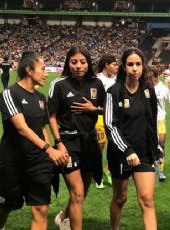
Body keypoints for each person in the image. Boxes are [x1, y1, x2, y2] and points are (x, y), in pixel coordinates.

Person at [0, 52, 68, 230]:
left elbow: (42, 128)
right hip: (12, 162)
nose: (46, 73)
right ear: (28, 70)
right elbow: (22, 128)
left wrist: (48, 154)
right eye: (42, 69)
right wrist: (49, 149)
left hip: (38, 162)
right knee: (6, 207)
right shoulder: (10, 94)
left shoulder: (41, 98)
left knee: (41, 210)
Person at [48, 46, 105, 230]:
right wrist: (58, 143)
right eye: (74, 62)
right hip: (67, 142)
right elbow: (52, 116)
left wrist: (93, 109)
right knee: (78, 193)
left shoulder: (97, 84)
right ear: (68, 63)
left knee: (82, 192)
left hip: (90, 142)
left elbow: (108, 110)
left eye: (82, 62)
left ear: (89, 63)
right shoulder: (59, 84)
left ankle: (64, 217)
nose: (78, 66)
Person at [104, 48, 162, 230]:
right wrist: (127, 150)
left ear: (143, 66)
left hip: (144, 154)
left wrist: (156, 148)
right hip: (121, 155)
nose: (135, 68)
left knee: (147, 200)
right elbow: (110, 126)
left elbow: (152, 121)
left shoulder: (148, 91)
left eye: (138, 64)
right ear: (123, 66)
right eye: (130, 64)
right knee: (120, 198)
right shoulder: (113, 92)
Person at [147, 66, 170, 182]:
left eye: (147, 72)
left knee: (161, 143)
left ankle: (160, 170)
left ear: (151, 73)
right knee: (148, 144)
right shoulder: (143, 87)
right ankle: (150, 165)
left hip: (160, 120)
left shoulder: (163, 88)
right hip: (147, 120)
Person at [94, 54, 118, 189]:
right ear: (106, 65)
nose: (116, 67)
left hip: (113, 118)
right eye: (114, 64)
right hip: (99, 117)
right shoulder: (97, 79)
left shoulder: (116, 81)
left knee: (114, 148)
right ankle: (97, 177)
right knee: (100, 148)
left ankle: (107, 171)